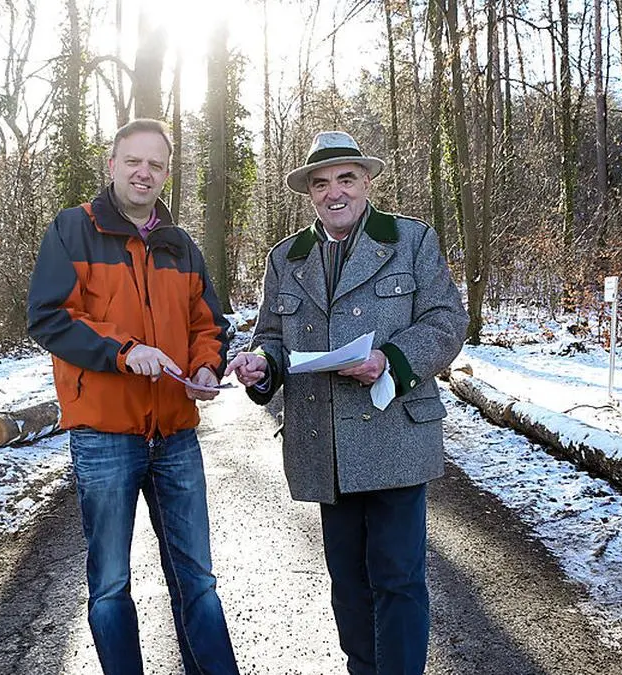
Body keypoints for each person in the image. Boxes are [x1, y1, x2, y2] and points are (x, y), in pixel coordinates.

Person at [225, 130, 468, 674]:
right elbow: (271, 336)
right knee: (347, 580)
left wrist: (390, 360)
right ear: (309, 192)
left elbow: (447, 321)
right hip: (323, 442)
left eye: (346, 179)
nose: (335, 192)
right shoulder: (286, 257)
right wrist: (262, 364)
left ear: (366, 182)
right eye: (321, 183)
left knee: (398, 577)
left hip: (394, 434)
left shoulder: (412, 241)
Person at [27, 119, 239, 675]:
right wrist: (124, 351)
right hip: (103, 435)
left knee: (197, 580)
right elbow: (49, 318)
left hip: (175, 434)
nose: (144, 172)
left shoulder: (182, 245)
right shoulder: (73, 230)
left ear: (167, 174)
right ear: (112, 165)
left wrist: (207, 369)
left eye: (157, 164)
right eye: (134, 161)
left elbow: (208, 325)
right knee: (110, 586)